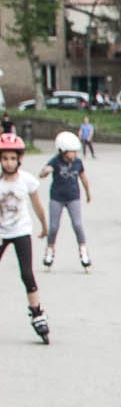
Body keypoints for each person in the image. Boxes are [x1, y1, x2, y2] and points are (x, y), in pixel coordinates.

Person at [0, 131, 51, 341]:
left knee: (27, 274)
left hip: (21, 231)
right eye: (4, 158)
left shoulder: (27, 180)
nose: (9, 162)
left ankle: (37, 312)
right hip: (1, 232)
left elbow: (37, 205)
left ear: (19, 159)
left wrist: (44, 226)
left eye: (13, 158)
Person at [38, 131, 92, 268]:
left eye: (75, 151)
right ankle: (50, 250)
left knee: (77, 225)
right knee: (54, 227)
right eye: (72, 151)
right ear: (62, 151)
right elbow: (44, 171)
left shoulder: (78, 162)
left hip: (73, 197)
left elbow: (83, 178)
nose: (75, 154)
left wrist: (88, 192)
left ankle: (83, 251)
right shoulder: (55, 161)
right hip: (57, 198)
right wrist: (45, 171)